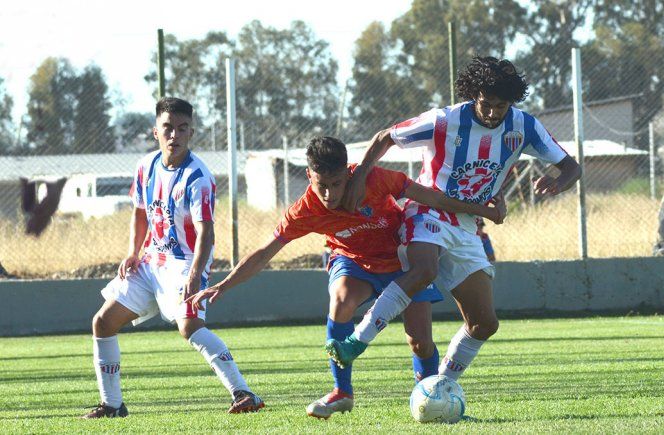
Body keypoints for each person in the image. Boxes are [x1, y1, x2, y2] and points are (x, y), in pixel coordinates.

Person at [186, 136, 504, 419]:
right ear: (309, 175)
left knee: (419, 342)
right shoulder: (305, 210)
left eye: (337, 183)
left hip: (402, 260)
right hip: (354, 263)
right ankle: (342, 392)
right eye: (321, 185)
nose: (330, 193)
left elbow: (432, 197)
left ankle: (428, 396)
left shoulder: (376, 179)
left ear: (349, 173)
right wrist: (224, 284)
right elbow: (265, 252)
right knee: (341, 299)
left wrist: (485, 211)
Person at [326, 56, 582, 384]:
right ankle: (356, 342)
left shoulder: (525, 127)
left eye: (501, 106)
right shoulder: (444, 120)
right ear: (473, 95)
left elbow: (571, 167)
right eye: (486, 104)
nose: (492, 113)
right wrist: (360, 176)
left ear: (512, 102)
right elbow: (385, 137)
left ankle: (441, 387)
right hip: (427, 210)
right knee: (425, 270)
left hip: (467, 225)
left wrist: (558, 182)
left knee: (484, 324)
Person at [82, 98, 262, 419]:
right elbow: (140, 213)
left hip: (186, 262)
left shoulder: (197, 177)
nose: (174, 135)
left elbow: (206, 233)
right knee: (103, 322)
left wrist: (194, 274)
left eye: (182, 128)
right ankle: (112, 405)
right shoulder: (145, 166)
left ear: (191, 132)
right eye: (167, 127)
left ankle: (243, 392)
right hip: (152, 259)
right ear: (156, 131)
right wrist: (133, 252)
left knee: (189, 325)